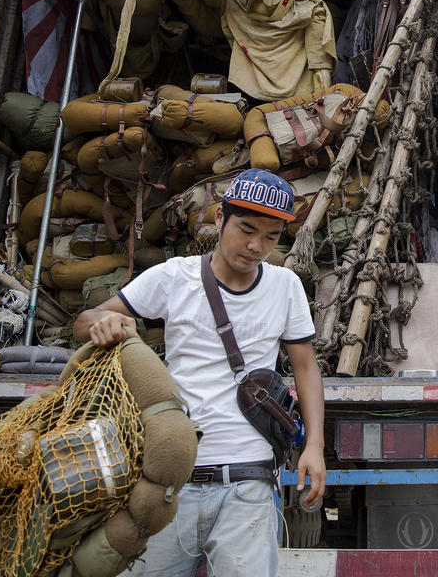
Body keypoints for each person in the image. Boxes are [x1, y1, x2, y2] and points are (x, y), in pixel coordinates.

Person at [75, 169, 326, 577]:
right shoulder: (175, 276)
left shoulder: (286, 286)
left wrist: (314, 445)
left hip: (250, 480)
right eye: (246, 229)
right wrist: (100, 324)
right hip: (171, 481)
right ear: (219, 218)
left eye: (270, 237)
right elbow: (85, 320)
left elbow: (305, 366)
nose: (255, 246)